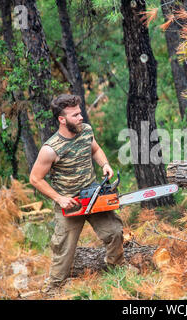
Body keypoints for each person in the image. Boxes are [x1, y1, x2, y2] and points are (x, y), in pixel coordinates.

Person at [29, 94, 125, 294]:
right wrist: (59, 198)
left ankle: (117, 269)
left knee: (114, 232)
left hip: (93, 195)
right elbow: (35, 179)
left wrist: (105, 164)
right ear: (62, 120)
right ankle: (53, 290)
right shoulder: (50, 148)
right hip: (70, 203)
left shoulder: (86, 131)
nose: (81, 117)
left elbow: (96, 149)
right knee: (63, 250)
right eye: (75, 115)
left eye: (80, 113)